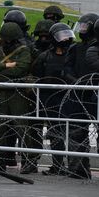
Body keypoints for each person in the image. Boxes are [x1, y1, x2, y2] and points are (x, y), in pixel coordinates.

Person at [0, 22, 34, 174]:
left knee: (21, 128)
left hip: (17, 93)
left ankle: (28, 161)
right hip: (1, 93)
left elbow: (21, 69)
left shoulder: (24, 51)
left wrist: (0, 71)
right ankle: (1, 161)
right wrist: (8, 66)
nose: (3, 41)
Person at [32, 23, 76, 176]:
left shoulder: (72, 54)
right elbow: (37, 75)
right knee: (54, 133)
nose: (65, 39)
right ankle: (57, 165)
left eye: (67, 35)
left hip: (68, 99)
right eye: (61, 36)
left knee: (72, 133)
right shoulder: (45, 56)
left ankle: (73, 166)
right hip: (49, 100)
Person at [63, 13, 99, 179]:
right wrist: (77, 81)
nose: (82, 30)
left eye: (85, 27)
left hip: (93, 92)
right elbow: (67, 69)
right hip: (79, 93)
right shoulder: (75, 48)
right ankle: (78, 169)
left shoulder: (95, 48)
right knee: (77, 132)